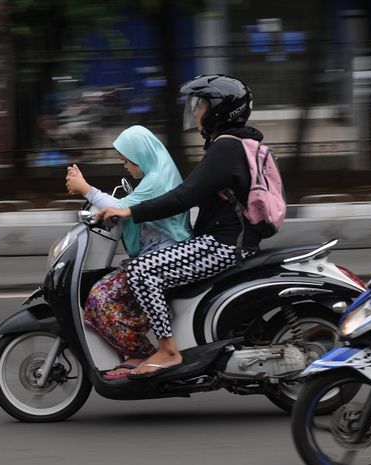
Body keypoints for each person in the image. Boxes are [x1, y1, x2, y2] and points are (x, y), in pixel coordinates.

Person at [98, 74, 264, 377]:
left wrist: (130, 212)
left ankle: (167, 350)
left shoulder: (227, 149)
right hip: (227, 240)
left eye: (200, 106)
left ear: (219, 109)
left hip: (224, 244)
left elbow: (183, 197)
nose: (196, 112)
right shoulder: (235, 145)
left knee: (141, 269)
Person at [65, 125, 191, 380]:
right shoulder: (159, 174)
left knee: (99, 297)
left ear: (141, 154)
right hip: (158, 253)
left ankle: (140, 353)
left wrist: (85, 188)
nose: (125, 165)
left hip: (164, 257)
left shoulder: (157, 181)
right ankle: (138, 351)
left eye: (126, 160)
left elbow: (121, 208)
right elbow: (127, 207)